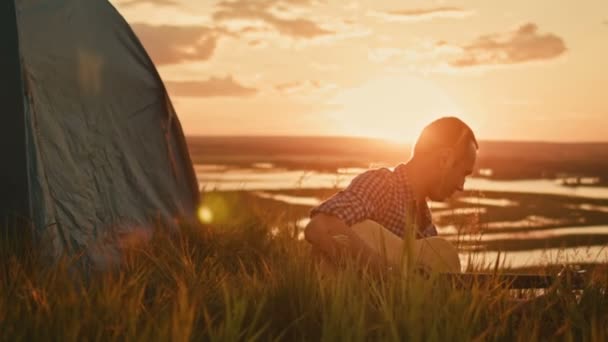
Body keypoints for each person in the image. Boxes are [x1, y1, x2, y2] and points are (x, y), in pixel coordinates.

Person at [304, 116, 478, 270]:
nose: (461, 186)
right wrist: (388, 274)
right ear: (444, 159)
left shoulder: (428, 234)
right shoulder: (382, 186)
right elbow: (320, 227)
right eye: (463, 173)